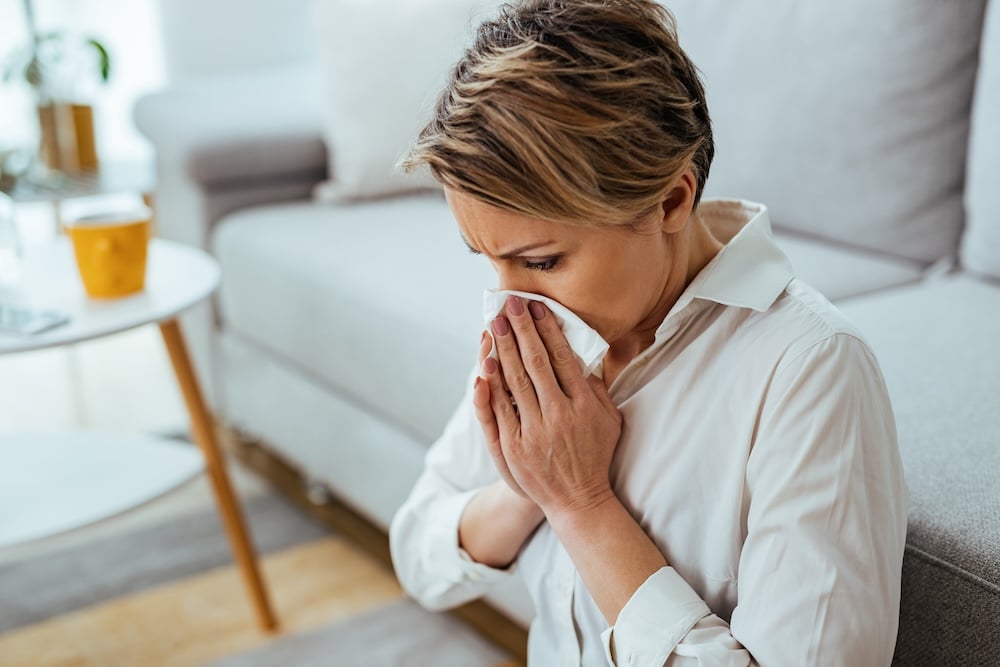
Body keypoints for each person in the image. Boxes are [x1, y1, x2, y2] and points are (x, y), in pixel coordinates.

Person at [389, 1, 909, 665]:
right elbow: (419, 555)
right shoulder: (544, 333)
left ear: (671, 200)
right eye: (488, 259)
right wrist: (528, 485)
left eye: (542, 260)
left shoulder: (809, 371)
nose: (504, 304)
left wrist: (581, 504)